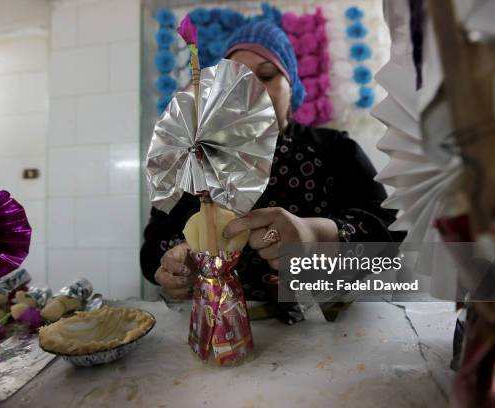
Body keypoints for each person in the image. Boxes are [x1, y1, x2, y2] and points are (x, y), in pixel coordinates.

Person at [141, 21, 404, 324]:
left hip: (325, 332)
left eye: (266, 75)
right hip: (221, 331)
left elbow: (389, 238)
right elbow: (151, 249)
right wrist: (177, 262)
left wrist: (319, 236)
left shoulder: (334, 151)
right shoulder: (197, 160)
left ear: (291, 88)